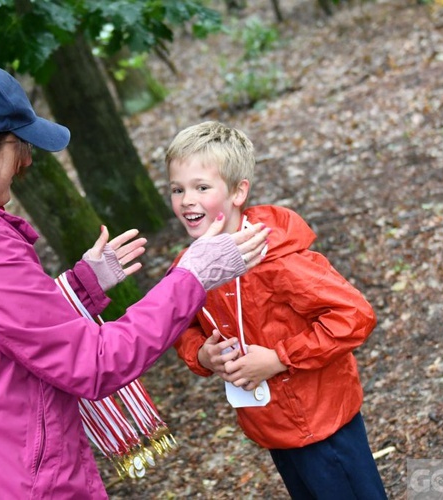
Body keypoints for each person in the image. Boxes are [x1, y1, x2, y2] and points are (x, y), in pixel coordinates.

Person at [0, 62, 270, 499]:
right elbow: (94, 363)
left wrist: (83, 285)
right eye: (18, 146)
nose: (27, 160)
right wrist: (191, 277)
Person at [166, 121, 387, 499]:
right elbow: (179, 326)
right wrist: (203, 354)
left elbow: (354, 316)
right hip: (273, 426)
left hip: (325, 424)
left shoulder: (277, 260)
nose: (187, 199)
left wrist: (279, 358)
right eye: (177, 189)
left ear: (238, 192)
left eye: (202, 187)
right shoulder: (190, 267)